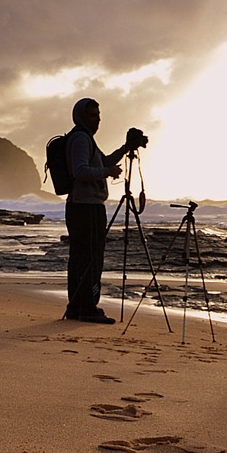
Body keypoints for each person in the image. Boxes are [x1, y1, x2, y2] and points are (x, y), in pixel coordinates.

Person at [64, 97, 141, 323]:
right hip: (85, 207)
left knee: (84, 257)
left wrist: (125, 149)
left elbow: (102, 162)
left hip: (86, 206)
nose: (97, 120)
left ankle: (79, 306)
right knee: (88, 258)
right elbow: (80, 170)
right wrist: (107, 173)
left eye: (98, 116)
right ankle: (86, 307)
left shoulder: (86, 138)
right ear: (81, 116)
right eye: (92, 115)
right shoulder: (80, 138)